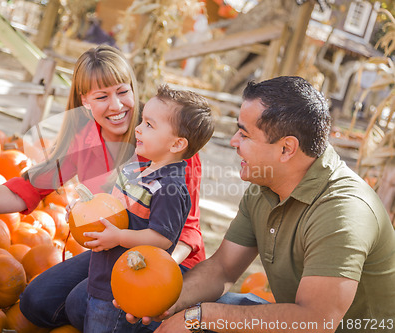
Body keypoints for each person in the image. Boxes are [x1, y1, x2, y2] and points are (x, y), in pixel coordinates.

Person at [0, 45, 207, 328]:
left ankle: (163, 322)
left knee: (83, 303)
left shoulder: (168, 146)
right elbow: (23, 190)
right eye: (101, 97)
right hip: (110, 249)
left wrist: (156, 285)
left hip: (164, 259)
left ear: (133, 89)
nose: (117, 106)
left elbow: (187, 232)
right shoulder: (84, 140)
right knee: (36, 302)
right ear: (85, 102)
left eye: (122, 92)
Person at [122, 76, 395, 333]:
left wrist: (198, 317)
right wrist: (164, 301)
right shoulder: (265, 185)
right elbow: (223, 268)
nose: (233, 142)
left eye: (245, 134)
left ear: (286, 149)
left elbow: (315, 321)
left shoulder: (343, 212)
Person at [65, 84, 214, 333]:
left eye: (149, 125)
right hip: (105, 273)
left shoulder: (170, 188)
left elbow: (162, 239)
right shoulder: (138, 169)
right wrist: (85, 208)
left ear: (177, 144)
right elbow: (114, 206)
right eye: (142, 121)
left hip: (125, 286)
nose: (137, 128)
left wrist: (119, 237)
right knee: (80, 311)